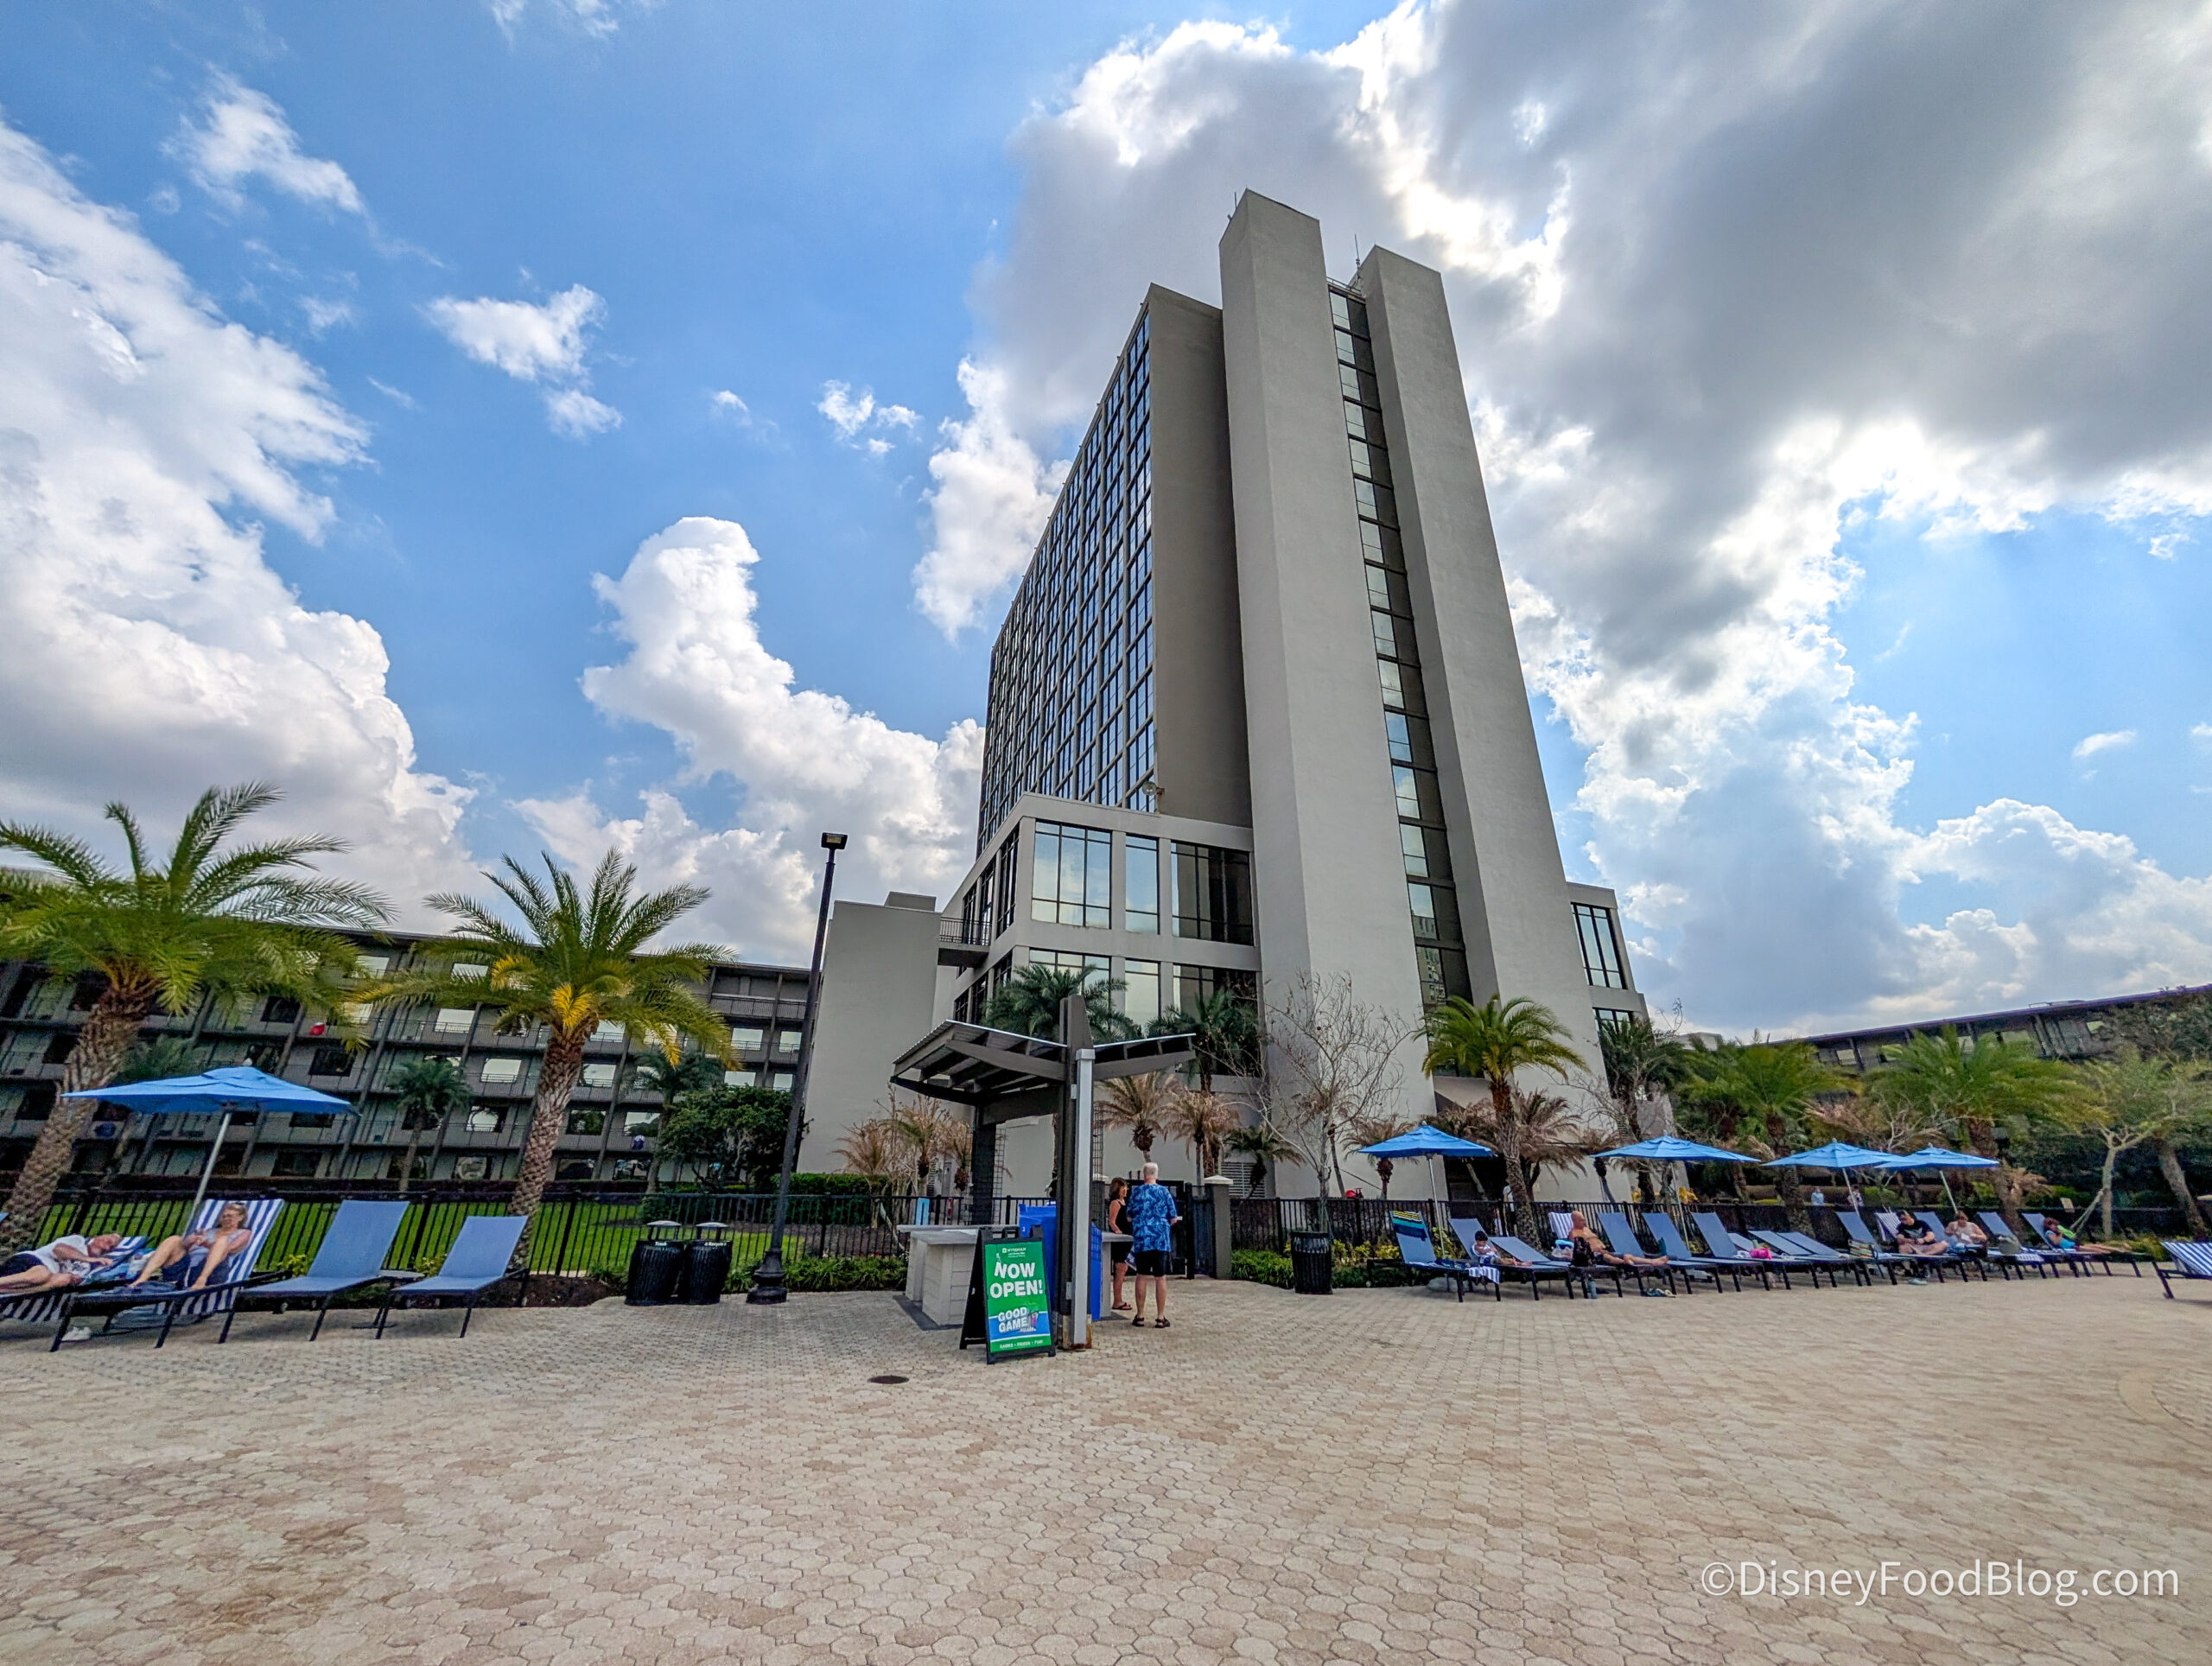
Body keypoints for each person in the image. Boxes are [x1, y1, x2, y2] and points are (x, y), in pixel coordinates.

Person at [128, 1201, 254, 1292]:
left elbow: (230, 1249)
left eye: (230, 1216)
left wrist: (206, 1244)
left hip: (211, 1272)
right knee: (174, 1239)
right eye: (224, 1216)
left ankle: (201, 1280)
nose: (226, 1218)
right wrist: (188, 1243)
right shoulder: (208, 1231)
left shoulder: (244, 1233)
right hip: (185, 1270)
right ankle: (143, 1278)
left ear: (240, 1218)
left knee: (222, 1241)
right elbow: (184, 1248)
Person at [1125, 1161, 1180, 1329]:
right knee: (1160, 1277)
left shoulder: (1137, 1193)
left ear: (1144, 1175)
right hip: (1160, 1240)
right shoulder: (1164, 1192)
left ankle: (1140, 1315)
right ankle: (1160, 1317)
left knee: (1141, 1275)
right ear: (1156, 1174)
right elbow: (1173, 1218)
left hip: (1142, 1239)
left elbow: (1129, 1217)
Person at [0, 1232, 127, 1295]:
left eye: (111, 1245)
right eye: (107, 1239)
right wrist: (88, 1259)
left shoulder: (87, 1270)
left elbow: (72, 1281)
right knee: (42, 1274)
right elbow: (59, 1249)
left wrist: (72, 1279)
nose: (106, 1244)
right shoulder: (78, 1241)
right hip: (27, 1262)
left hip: (35, 1281)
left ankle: (4, 1291)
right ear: (98, 1237)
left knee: (63, 1279)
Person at [1103, 1178, 1135, 1315]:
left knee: (1123, 1268)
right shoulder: (1115, 1203)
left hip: (1127, 1239)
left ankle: (1119, 1298)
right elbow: (1112, 1221)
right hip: (1120, 1241)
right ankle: (1117, 1300)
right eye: (1123, 1188)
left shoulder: (1125, 1203)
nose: (1125, 1190)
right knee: (1120, 1268)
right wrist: (1117, 1231)